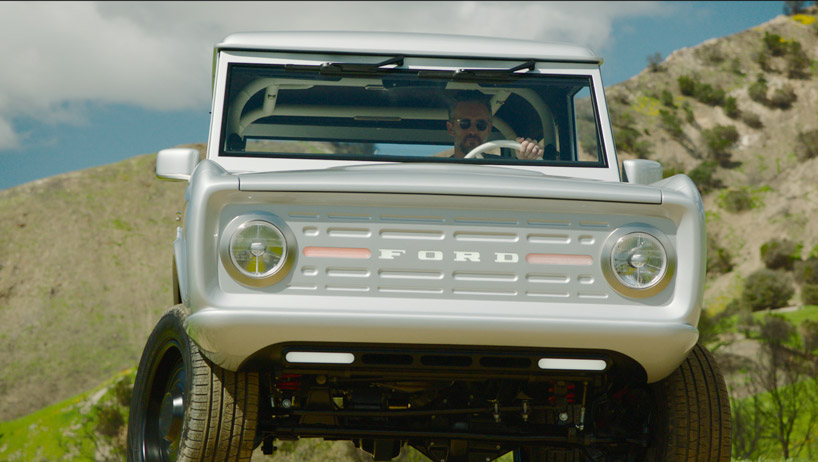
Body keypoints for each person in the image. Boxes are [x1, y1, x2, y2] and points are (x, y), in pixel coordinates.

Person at [442, 91, 543, 159]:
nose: (473, 131)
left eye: (481, 124)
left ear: (489, 128)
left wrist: (527, 157)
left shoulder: (506, 169)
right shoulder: (440, 173)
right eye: (465, 123)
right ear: (450, 129)